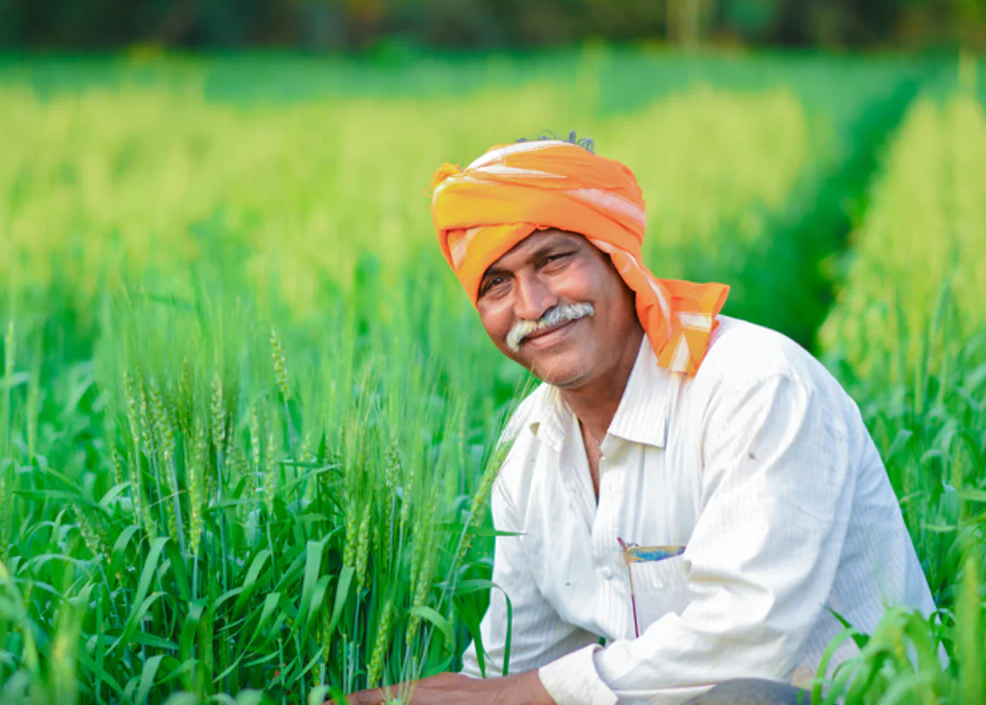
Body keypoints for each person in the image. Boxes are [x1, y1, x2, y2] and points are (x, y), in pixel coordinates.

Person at [345, 138, 935, 705]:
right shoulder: (526, 446)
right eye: (495, 283)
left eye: (552, 260)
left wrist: (512, 695)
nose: (530, 305)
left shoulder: (755, 387)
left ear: (618, 261)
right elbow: (515, 666)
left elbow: (748, 646)